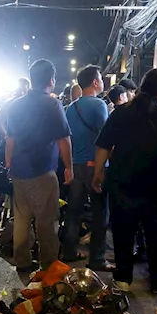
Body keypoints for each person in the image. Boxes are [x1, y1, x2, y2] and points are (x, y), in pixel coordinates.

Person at [93, 68, 157, 294]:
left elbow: (104, 146)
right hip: (156, 187)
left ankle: (123, 279)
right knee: (156, 235)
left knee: (122, 232)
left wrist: (98, 174)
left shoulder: (121, 112)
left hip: (122, 183)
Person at [6, 59, 74, 274]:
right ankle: (49, 265)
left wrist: (9, 163)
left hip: (19, 170)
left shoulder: (16, 104)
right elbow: (64, 139)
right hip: (43, 171)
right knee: (46, 222)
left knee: (22, 219)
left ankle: (22, 261)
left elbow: (10, 138)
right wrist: (69, 168)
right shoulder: (52, 104)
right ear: (51, 81)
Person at [61, 65, 111, 270]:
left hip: (75, 166)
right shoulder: (99, 105)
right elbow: (106, 139)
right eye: (100, 79)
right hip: (95, 167)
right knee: (100, 213)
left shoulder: (70, 108)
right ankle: (97, 259)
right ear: (95, 82)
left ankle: (69, 252)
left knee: (73, 211)